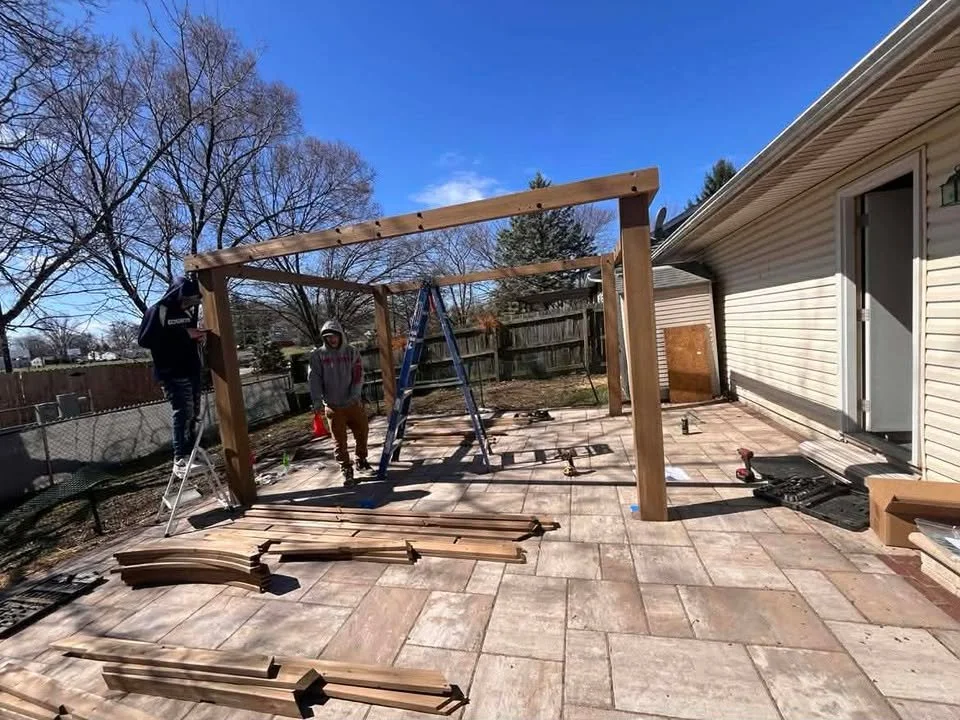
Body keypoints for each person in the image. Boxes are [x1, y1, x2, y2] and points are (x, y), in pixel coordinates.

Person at [137, 276, 208, 478]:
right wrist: (186, 334)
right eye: (186, 298)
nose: (189, 303)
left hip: (191, 368)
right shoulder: (157, 310)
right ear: (176, 293)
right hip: (171, 372)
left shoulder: (187, 311)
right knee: (182, 412)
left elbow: (185, 336)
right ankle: (180, 458)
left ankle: (193, 452)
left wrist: (197, 336)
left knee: (193, 412)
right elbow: (146, 340)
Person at [308, 319, 370, 484]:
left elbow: (358, 375)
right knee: (339, 441)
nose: (332, 339)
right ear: (324, 338)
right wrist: (316, 400)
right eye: (328, 337)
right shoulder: (318, 355)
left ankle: (361, 461)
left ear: (340, 335)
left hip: (353, 403)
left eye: (334, 336)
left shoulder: (351, 352)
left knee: (362, 432)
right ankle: (346, 468)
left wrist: (355, 394)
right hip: (333, 406)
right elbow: (314, 379)